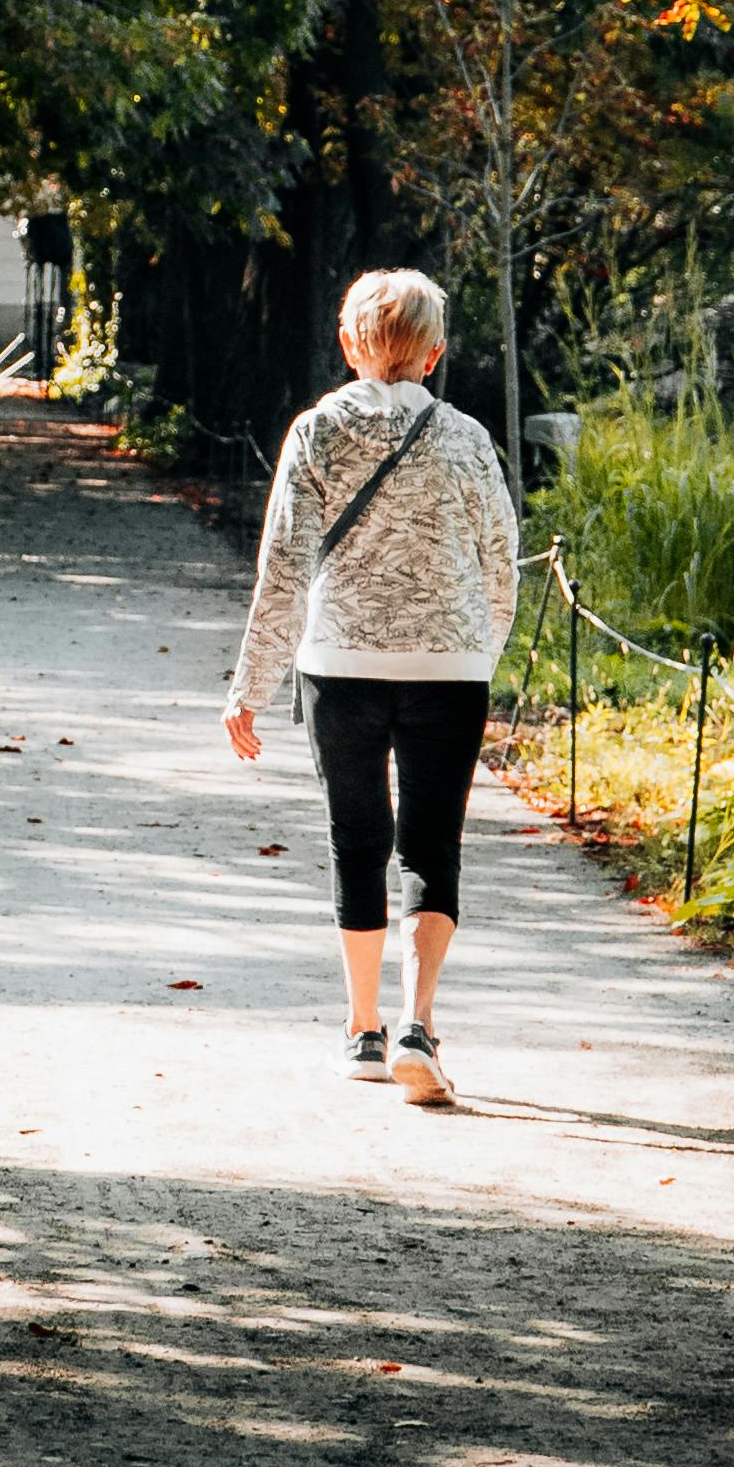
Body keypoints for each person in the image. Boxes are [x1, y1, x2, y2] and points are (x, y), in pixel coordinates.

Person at [222, 264, 519, 1107]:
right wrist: (475, 648)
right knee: (432, 846)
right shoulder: (465, 439)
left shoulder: (315, 433)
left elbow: (281, 568)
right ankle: (419, 1025)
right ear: (435, 354)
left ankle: (361, 1032)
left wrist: (249, 683)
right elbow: (502, 563)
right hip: (448, 670)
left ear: (349, 344)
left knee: (356, 837)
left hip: (341, 666)